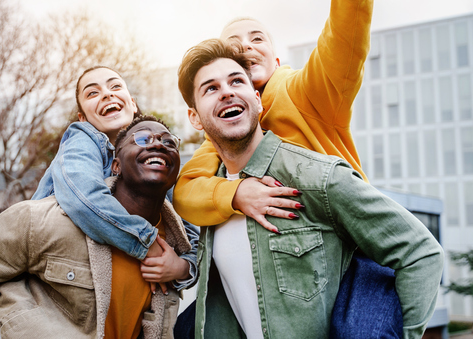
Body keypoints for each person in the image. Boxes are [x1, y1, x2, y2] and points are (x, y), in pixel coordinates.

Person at [176, 39, 444, 339]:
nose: (226, 91)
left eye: (236, 81)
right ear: (195, 118)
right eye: (210, 88)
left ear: (257, 98)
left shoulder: (317, 177)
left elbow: (421, 252)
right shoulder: (211, 204)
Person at [174, 0, 375, 234]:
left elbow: (343, 42)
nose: (246, 46)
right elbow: (186, 192)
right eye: (234, 43)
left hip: (349, 253)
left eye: (257, 39)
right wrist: (236, 193)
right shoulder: (224, 133)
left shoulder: (307, 91)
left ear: (277, 59)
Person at [0, 66, 198, 337]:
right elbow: (84, 198)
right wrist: (145, 242)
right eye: (93, 92)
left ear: (133, 103)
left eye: (115, 87)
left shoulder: (153, 166)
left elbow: (190, 240)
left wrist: (181, 267)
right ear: (83, 117)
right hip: (30, 296)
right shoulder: (83, 139)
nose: (106, 94)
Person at [0, 116, 192, 338]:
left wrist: (182, 269)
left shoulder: (175, 247)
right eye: (143, 138)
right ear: (116, 165)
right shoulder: (45, 220)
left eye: (169, 142)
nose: (158, 144)